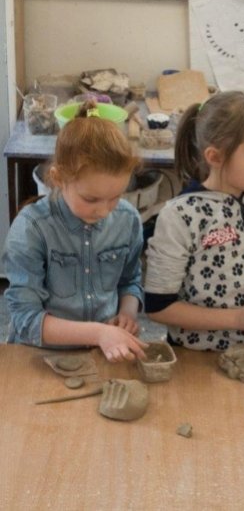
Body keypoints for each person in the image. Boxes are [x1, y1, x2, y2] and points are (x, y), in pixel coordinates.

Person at [144, 91, 244, 351]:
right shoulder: (181, 216)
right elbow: (158, 306)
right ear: (214, 157)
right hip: (195, 360)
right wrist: (237, 319)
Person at [3, 100, 147, 362]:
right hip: (39, 356)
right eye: (91, 199)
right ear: (58, 178)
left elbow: (130, 280)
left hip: (102, 352)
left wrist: (127, 313)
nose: (104, 210)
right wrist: (98, 333)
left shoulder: (127, 219)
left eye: (115, 197)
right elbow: (25, 319)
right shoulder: (32, 228)